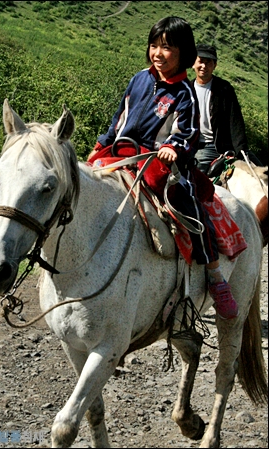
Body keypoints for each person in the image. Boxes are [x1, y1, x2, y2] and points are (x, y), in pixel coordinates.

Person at [88, 17, 238, 319]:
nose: (158, 53)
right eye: (154, 45)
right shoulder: (138, 79)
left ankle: (214, 275)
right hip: (121, 153)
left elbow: (188, 132)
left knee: (190, 206)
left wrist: (173, 146)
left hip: (159, 164)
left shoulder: (184, 93)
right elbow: (119, 117)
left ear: (183, 52)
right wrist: (101, 143)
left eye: (167, 47)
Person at [191, 43, 263, 174]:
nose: (204, 66)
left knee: (260, 173)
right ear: (193, 63)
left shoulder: (224, 88)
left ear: (215, 65)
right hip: (201, 146)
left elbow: (235, 120)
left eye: (209, 62)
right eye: (201, 61)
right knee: (197, 177)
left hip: (224, 145)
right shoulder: (186, 90)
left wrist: (241, 149)